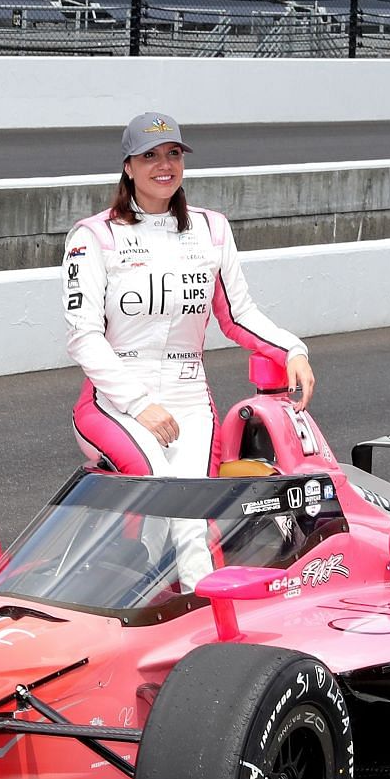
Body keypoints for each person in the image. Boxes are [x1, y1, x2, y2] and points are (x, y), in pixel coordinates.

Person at [63, 112, 316, 590]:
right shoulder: (93, 237)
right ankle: (127, 596)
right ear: (128, 167)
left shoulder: (211, 230)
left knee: (193, 514)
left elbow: (237, 315)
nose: (164, 165)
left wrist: (292, 350)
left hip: (189, 399)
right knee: (165, 490)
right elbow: (83, 337)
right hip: (114, 402)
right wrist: (139, 404)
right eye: (150, 155)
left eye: (173, 153)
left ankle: (195, 609)